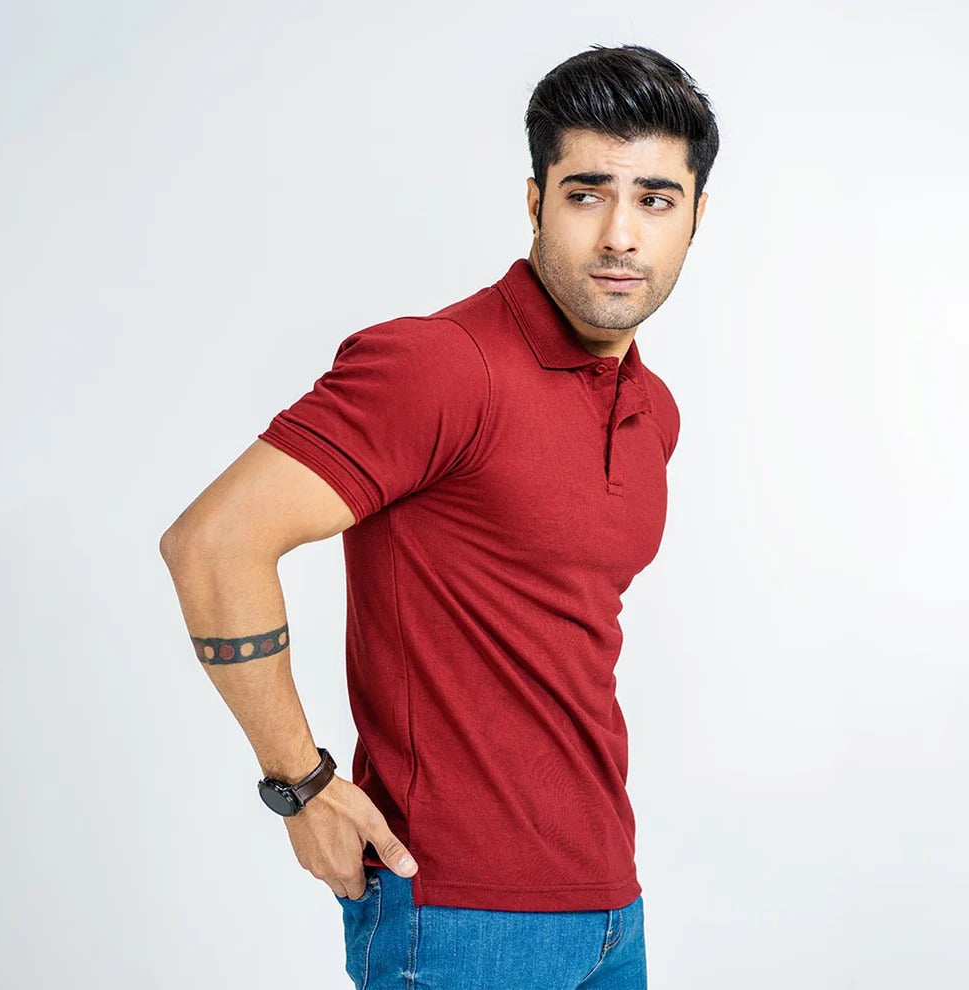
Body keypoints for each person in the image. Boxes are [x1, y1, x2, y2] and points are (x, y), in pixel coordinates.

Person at [160, 41, 719, 990]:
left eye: (656, 200)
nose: (621, 234)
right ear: (536, 202)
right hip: (457, 918)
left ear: (697, 216)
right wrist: (302, 787)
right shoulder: (442, 366)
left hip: (609, 910)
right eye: (587, 194)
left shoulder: (651, 409)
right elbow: (214, 542)